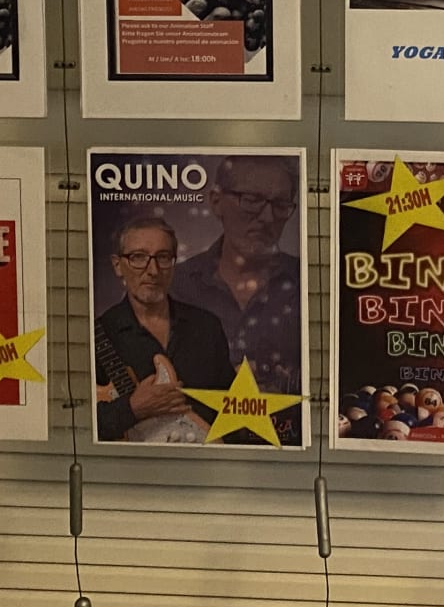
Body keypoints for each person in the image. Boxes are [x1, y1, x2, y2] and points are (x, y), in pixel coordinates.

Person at [168, 157, 304, 408]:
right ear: (216, 201)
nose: (267, 217)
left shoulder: (306, 283)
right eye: (251, 200)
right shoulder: (173, 286)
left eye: (280, 205)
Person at [93, 213, 234, 443]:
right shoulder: (99, 334)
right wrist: (133, 408)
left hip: (205, 458)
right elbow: (77, 421)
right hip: (134, 462)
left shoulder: (207, 326)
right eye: (138, 257)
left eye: (163, 257)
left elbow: (231, 404)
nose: (153, 270)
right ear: (118, 266)